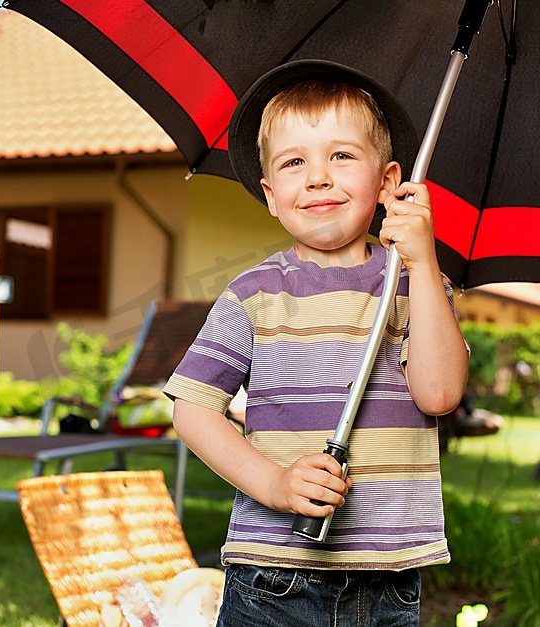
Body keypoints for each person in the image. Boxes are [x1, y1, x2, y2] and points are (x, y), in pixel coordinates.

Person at [163, 60, 468, 626]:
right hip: (271, 574)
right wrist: (275, 484)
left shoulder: (417, 286)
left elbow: (440, 392)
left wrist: (424, 266)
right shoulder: (253, 293)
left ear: (387, 182)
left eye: (343, 156)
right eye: (294, 163)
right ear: (272, 194)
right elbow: (193, 409)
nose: (318, 177)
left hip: (387, 577)